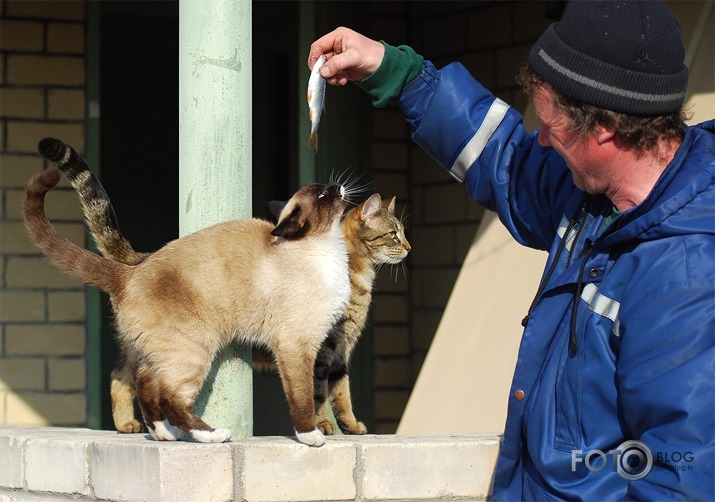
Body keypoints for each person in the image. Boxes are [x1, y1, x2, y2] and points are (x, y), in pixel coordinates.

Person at [308, 1, 714, 500]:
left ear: (604, 127)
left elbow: (682, 480)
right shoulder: (589, 193)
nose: (540, 139)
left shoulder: (690, 273)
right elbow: (504, 158)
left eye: (553, 125)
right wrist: (398, 71)